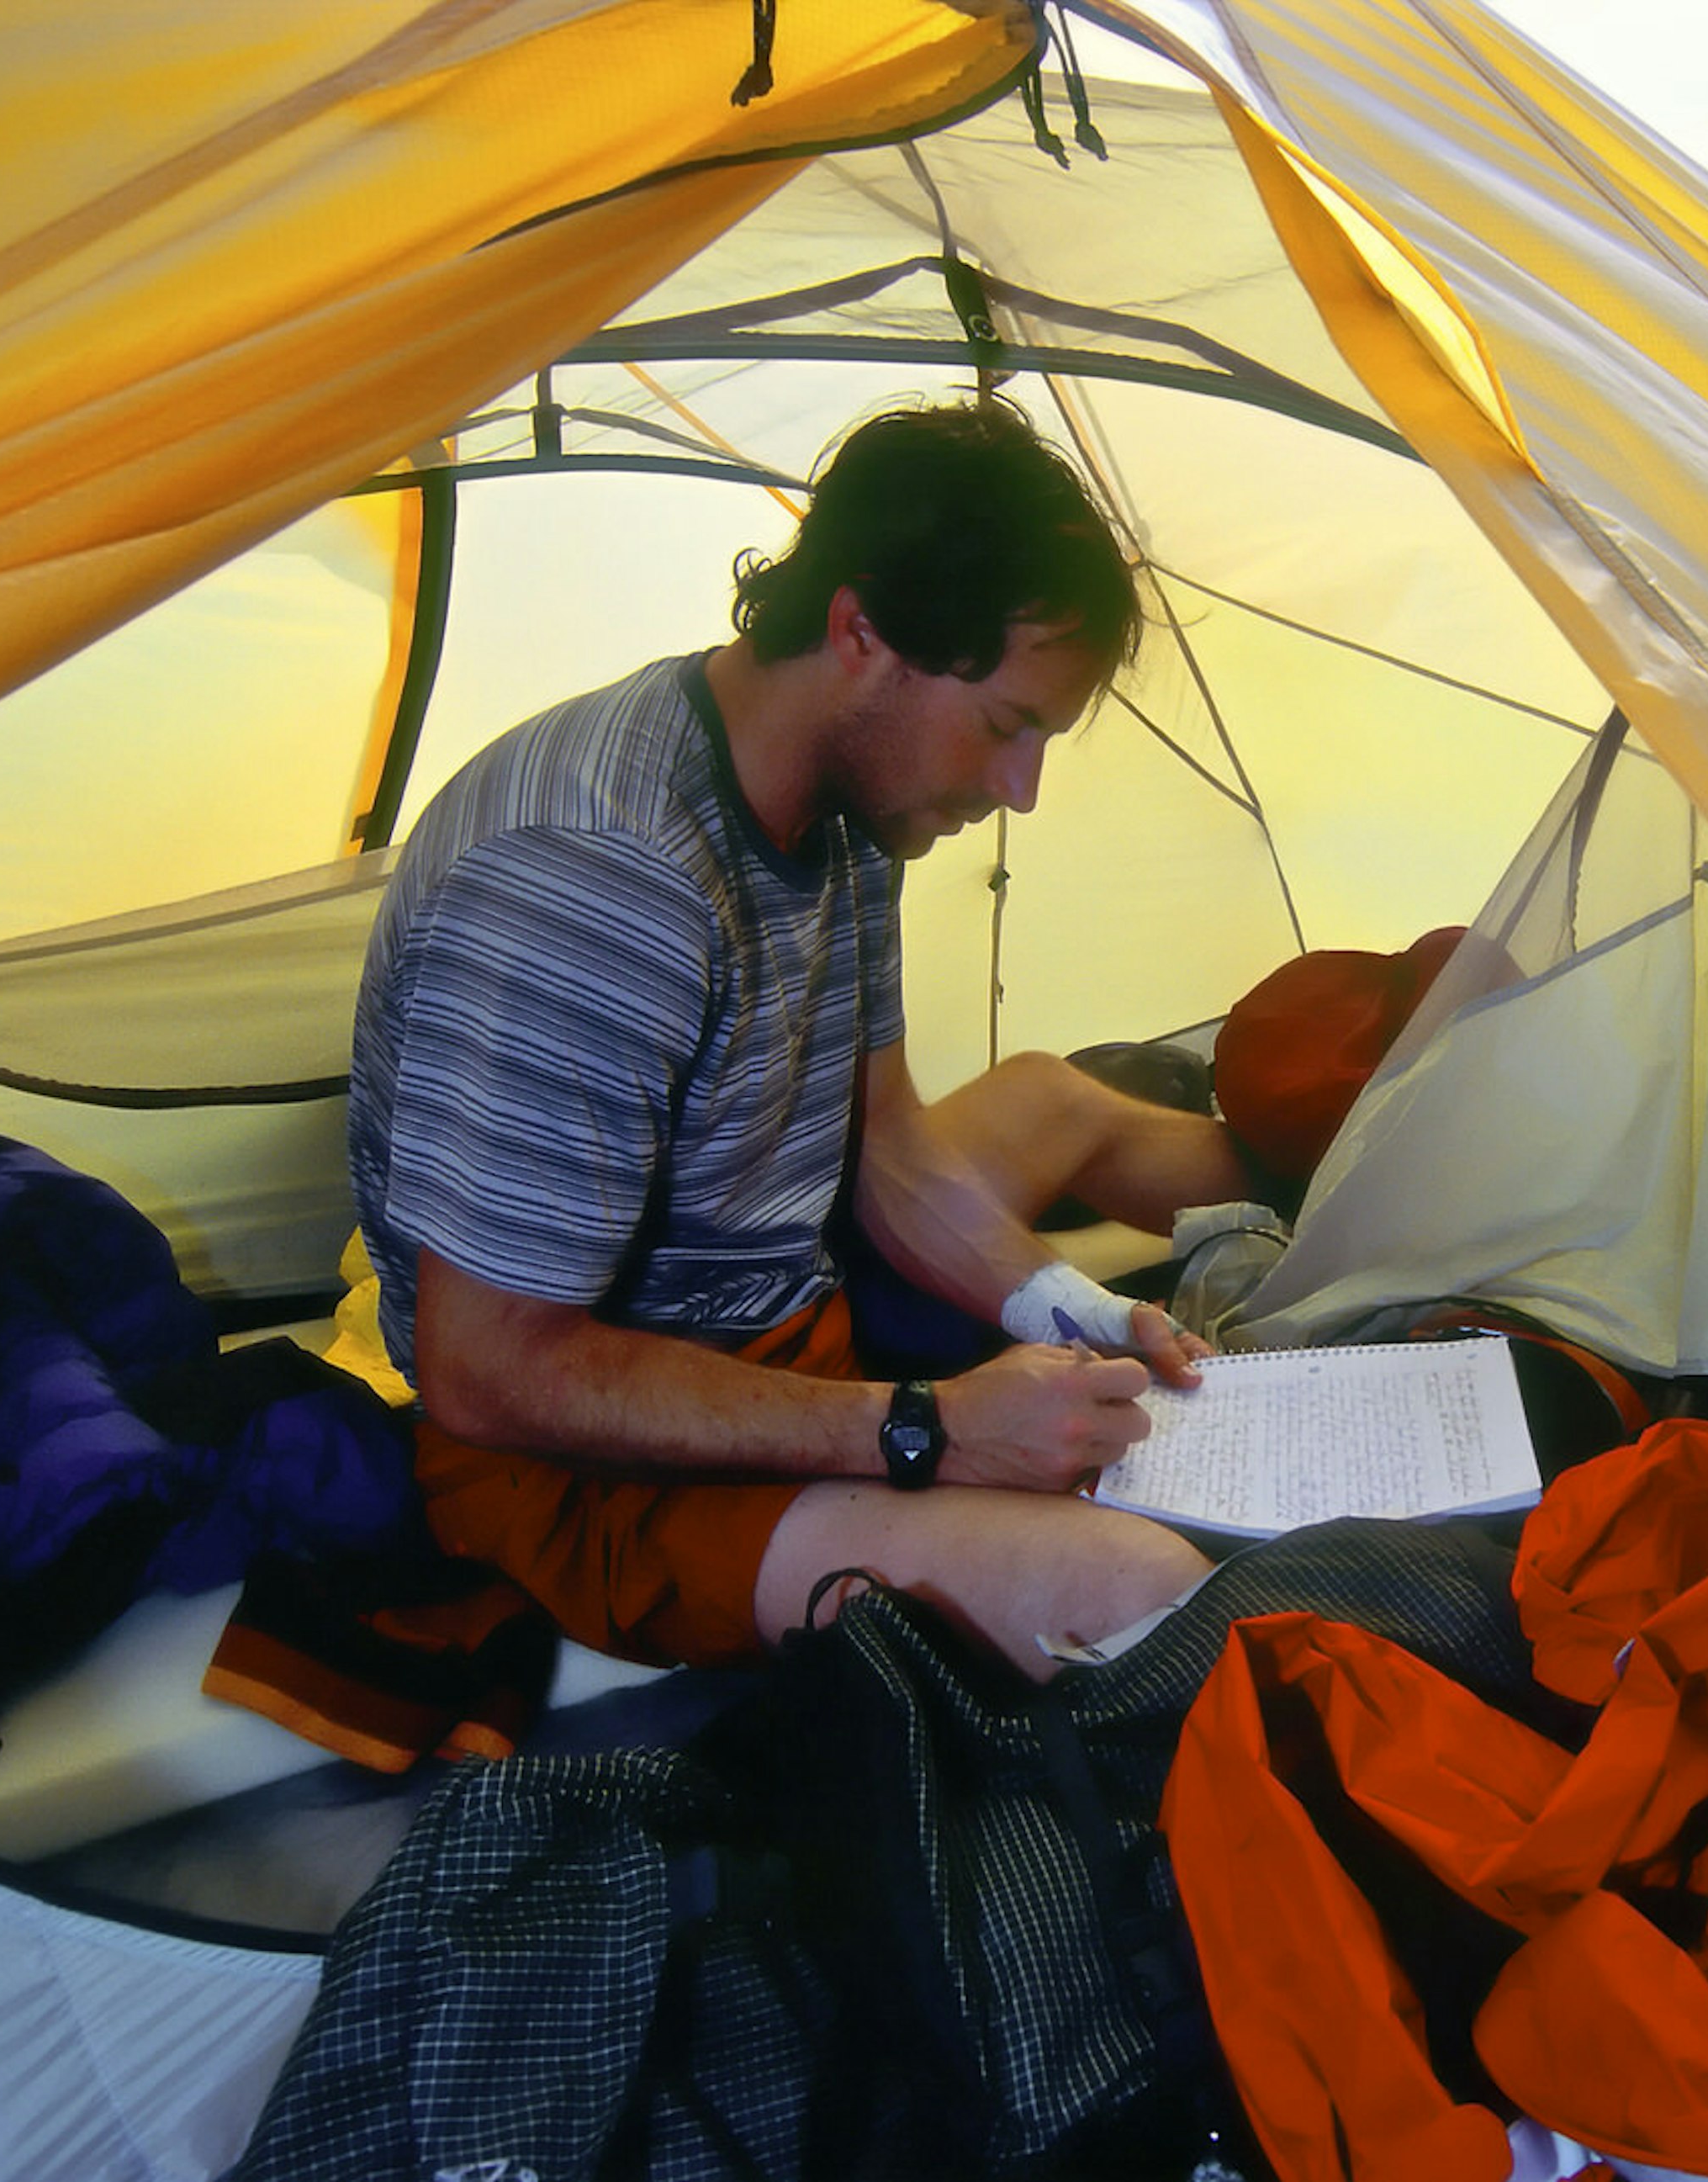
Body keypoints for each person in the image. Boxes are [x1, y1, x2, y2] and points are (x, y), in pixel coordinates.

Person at [346, 397, 1250, 1681]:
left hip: (778, 1324)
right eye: (1006, 727)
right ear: (859, 634)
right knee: (1143, 1591)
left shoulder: (844, 812)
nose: (1020, 794)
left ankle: (1333, 1190)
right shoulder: (604, 880)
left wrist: (1080, 1309)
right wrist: (926, 1431)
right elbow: (491, 1373)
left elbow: (886, 1151)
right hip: (581, 1469)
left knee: (1055, 1102)